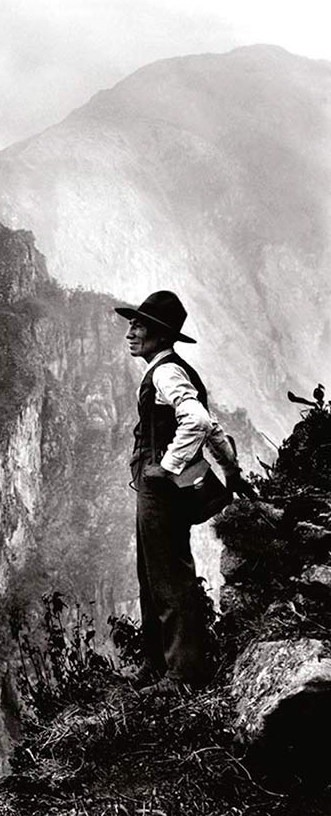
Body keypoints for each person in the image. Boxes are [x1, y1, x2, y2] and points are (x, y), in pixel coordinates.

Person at [115, 290, 255, 694]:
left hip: (159, 487)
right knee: (153, 572)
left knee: (168, 576)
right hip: (159, 485)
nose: (131, 332)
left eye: (139, 326)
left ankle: (181, 675)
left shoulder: (165, 372)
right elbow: (211, 427)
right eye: (132, 323)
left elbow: (194, 419)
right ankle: (156, 663)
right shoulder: (173, 369)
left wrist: (167, 467)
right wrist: (231, 471)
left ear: (160, 335)